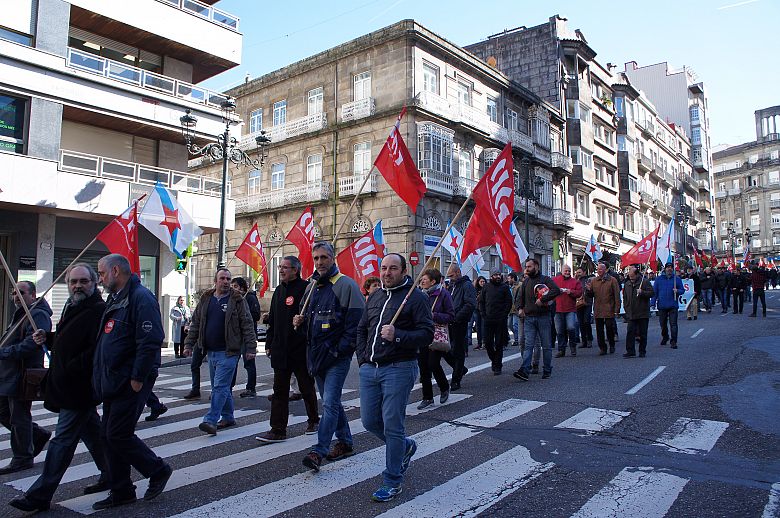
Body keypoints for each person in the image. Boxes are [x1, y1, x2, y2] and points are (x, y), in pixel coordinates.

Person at [9, 264, 109, 512]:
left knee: (61, 442)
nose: (77, 286)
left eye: (83, 281)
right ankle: (115, 475)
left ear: (94, 283)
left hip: (79, 387)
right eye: (73, 281)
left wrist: (70, 367)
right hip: (67, 384)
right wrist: (50, 337)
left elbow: (96, 350)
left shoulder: (98, 309)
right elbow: (68, 339)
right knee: (94, 435)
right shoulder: (73, 305)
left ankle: (40, 494)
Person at [92, 254, 171, 510]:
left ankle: (157, 469)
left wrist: (137, 378)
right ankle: (122, 490)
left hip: (130, 380)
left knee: (117, 434)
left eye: (102, 273)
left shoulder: (140, 297)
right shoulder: (117, 298)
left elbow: (150, 340)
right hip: (114, 379)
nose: (100, 279)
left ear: (116, 270)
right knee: (108, 435)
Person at [356, 253, 433, 502]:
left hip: (399, 368)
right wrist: (363, 359)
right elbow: (362, 328)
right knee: (369, 421)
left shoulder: (416, 297)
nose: (387, 273)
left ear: (403, 271)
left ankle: (392, 480)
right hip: (371, 369)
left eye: (392, 269)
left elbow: (426, 334)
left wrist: (398, 334)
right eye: (383, 268)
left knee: (392, 424)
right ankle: (406, 447)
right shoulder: (375, 295)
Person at [293, 242, 364, 473]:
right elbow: (307, 323)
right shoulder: (312, 286)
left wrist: (337, 351)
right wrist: (299, 323)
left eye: (324, 257)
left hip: (336, 358)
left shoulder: (346, 285)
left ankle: (319, 450)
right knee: (333, 404)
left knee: (330, 404)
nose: (320, 262)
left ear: (333, 258)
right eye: (316, 258)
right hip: (316, 357)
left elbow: (356, 327)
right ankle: (345, 442)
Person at [183, 268, 256, 435]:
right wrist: (189, 344)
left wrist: (251, 348)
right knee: (221, 388)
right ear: (215, 281)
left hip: (229, 352)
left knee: (220, 386)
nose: (226, 281)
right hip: (211, 351)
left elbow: (247, 324)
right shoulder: (206, 299)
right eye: (222, 278)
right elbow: (196, 323)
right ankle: (228, 416)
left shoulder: (237, 300)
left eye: (228, 279)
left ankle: (211, 419)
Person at [256, 256, 319, 443]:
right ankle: (277, 429)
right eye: (280, 267)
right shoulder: (278, 291)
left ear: (295, 270)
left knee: (306, 388)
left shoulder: (306, 289)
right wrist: (269, 344)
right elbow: (273, 321)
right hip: (281, 350)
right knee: (279, 391)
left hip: (299, 349)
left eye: (285, 267)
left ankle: (314, 420)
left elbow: (312, 317)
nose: (281, 270)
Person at [0, 281, 52, 475]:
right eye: (13, 292)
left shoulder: (37, 314)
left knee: (18, 416)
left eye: (20, 292)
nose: (15, 296)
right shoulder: (20, 313)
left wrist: (3, 353)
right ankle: (37, 434)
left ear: (32, 295)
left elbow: (31, 345)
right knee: (4, 412)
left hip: (22, 374)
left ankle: (22, 457)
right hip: (8, 373)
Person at [513, 258, 561, 381]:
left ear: (536, 267)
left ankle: (547, 369)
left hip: (543, 317)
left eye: (529, 267)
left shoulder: (545, 280)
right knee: (528, 345)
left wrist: (543, 299)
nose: (527, 269)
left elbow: (556, 290)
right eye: (526, 267)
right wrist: (519, 308)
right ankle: (524, 370)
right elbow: (520, 298)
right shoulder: (526, 282)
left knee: (546, 345)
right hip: (529, 318)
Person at [417, 268, 454, 409]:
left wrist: (435, 315)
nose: (422, 281)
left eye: (424, 279)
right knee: (423, 367)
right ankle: (427, 397)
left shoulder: (443, 294)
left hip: (436, 334)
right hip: (422, 334)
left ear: (433, 281)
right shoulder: (420, 295)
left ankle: (444, 387)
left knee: (433, 363)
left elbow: (451, 315)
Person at [445, 264, 476, 391]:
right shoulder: (452, 285)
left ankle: (456, 379)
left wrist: (457, 317)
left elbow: (469, 304)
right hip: (449, 322)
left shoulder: (467, 285)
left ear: (458, 272)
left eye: (451, 276)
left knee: (458, 351)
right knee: (444, 349)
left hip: (459, 322)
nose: (450, 278)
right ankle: (460, 369)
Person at [231, 277, 260, 398]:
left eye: (235, 286)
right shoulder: (232, 299)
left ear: (242, 288)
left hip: (246, 337)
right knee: (232, 363)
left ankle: (251, 388)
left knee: (249, 363)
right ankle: (228, 387)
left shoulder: (250, 297)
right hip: (235, 336)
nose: (233, 288)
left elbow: (256, 315)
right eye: (232, 286)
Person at [479, 269, 513, 375]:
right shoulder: (486, 287)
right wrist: (483, 314)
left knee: (499, 343)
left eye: (499, 274)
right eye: (495, 275)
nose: (498, 276)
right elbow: (481, 302)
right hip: (488, 319)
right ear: (491, 276)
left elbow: (508, 302)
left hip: (500, 320)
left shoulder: (504, 287)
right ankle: (494, 360)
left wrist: (504, 314)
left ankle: (497, 365)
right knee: (488, 343)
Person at [586, 262, 621, 355]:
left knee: (609, 328)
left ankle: (611, 344)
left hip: (609, 308)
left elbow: (617, 295)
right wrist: (588, 290)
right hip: (598, 308)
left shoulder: (612, 280)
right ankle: (602, 347)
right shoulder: (594, 281)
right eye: (598, 269)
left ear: (605, 270)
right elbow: (591, 295)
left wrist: (617, 309)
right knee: (599, 330)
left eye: (601, 269)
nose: (599, 271)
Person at [622, 266, 654, 358]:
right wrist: (626, 307)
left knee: (643, 333)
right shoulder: (627, 283)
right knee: (630, 332)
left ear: (636, 275)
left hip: (642, 312)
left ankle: (642, 351)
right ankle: (630, 351)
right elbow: (625, 297)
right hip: (631, 312)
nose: (631, 279)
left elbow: (652, 293)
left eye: (632, 277)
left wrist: (642, 292)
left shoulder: (644, 282)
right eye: (629, 277)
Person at [552, 264, 583, 358]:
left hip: (570, 309)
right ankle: (561, 350)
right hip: (558, 309)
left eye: (569, 271)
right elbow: (549, 290)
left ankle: (573, 346)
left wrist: (571, 292)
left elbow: (579, 293)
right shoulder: (555, 280)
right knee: (559, 331)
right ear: (561, 271)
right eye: (565, 271)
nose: (567, 272)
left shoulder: (575, 281)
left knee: (571, 328)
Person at [654, 263, 685, 349]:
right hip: (662, 305)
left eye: (671, 267)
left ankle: (673, 341)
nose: (669, 269)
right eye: (668, 267)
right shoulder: (658, 279)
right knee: (663, 324)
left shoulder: (676, 279)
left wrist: (677, 291)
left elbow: (682, 290)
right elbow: (655, 292)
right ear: (665, 269)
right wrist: (652, 303)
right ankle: (665, 336)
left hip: (673, 305)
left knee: (673, 324)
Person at [574, 267, 594, 348]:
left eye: (579, 272)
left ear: (584, 272)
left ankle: (589, 339)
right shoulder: (575, 281)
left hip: (587, 303)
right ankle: (584, 341)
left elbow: (592, 291)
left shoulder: (588, 280)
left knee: (586, 321)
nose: (578, 274)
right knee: (580, 323)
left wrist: (588, 290)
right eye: (577, 272)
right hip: (578, 304)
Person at [471, 276, 486, 350]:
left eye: (484, 281)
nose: (483, 283)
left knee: (483, 327)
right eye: (481, 282)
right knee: (478, 327)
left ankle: (484, 342)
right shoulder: (475, 290)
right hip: (476, 310)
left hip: (484, 310)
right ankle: (479, 343)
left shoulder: (487, 289)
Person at [506, 272, 520, 348]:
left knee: (515, 325)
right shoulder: (508, 286)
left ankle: (517, 339)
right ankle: (518, 336)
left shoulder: (519, 286)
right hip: (510, 309)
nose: (508, 280)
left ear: (512, 278)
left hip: (516, 308)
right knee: (509, 324)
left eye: (509, 278)